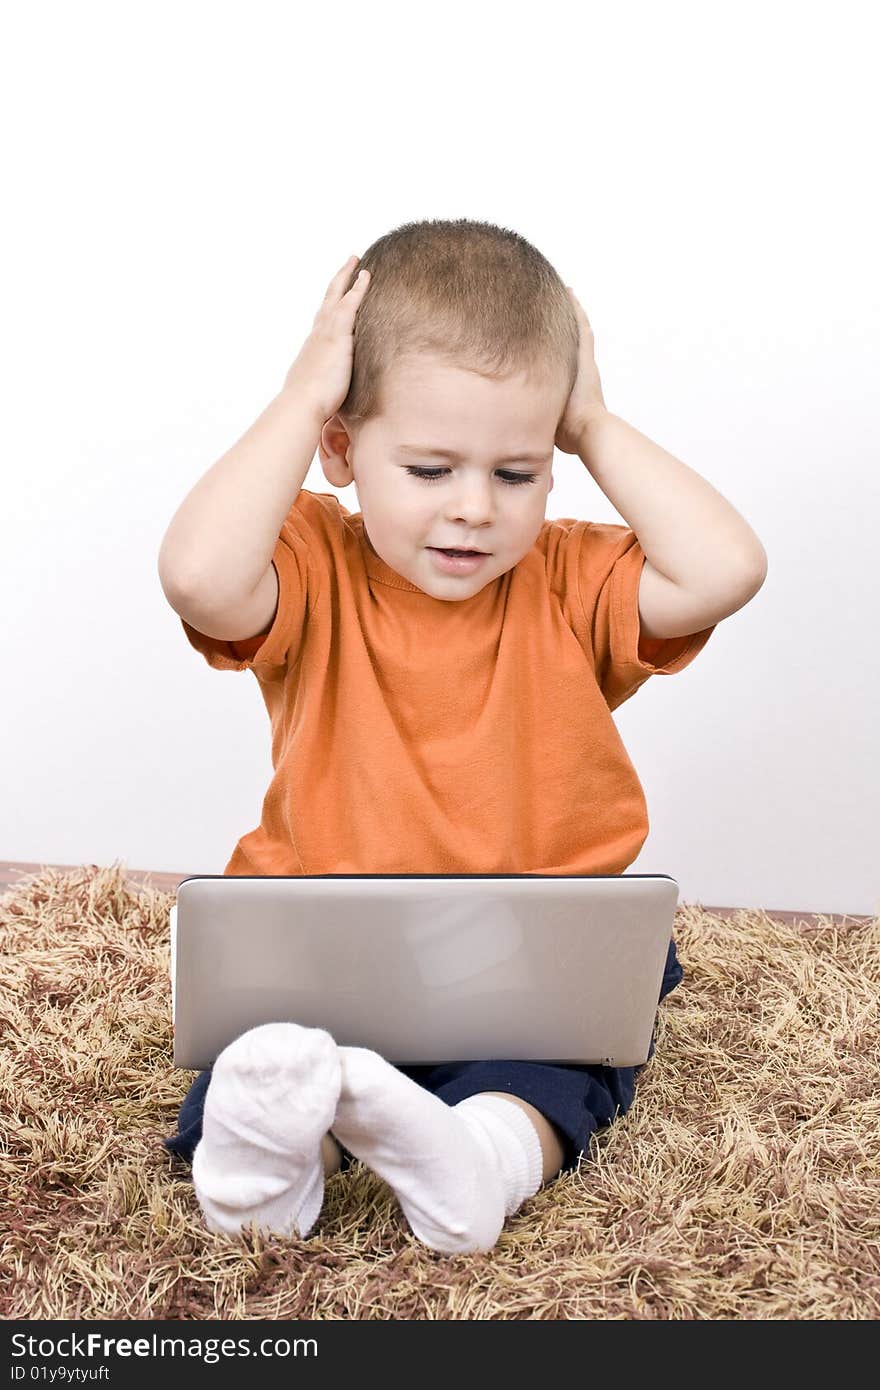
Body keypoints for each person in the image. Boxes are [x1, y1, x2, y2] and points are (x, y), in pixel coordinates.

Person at [158, 218, 767, 1254]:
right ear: (343, 450)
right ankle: (273, 1172)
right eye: (432, 469)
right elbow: (200, 578)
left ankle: (476, 1159)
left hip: (529, 966)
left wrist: (593, 422)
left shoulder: (572, 577)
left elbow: (725, 569)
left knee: (558, 1070)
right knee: (266, 1064)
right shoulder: (310, 556)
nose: (475, 509)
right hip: (324, 948)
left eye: (516, 473)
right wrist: (303, 396)